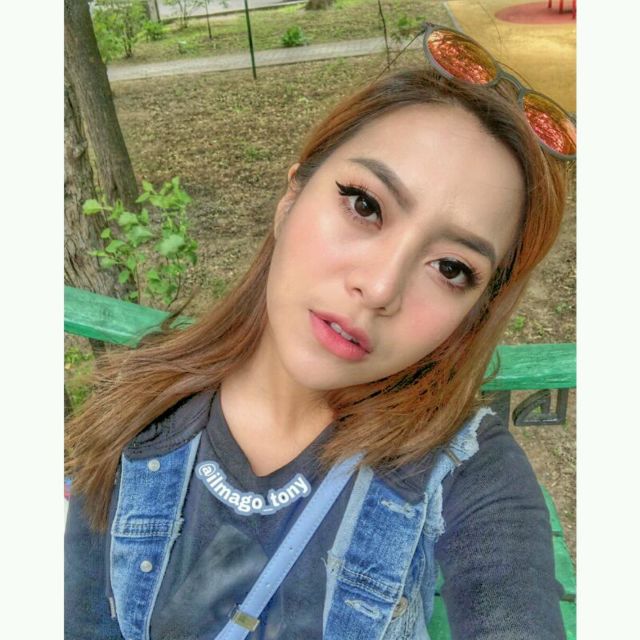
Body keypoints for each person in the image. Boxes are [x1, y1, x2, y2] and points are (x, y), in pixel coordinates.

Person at [65, 23, 575, 640]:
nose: (380, 288)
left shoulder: (467, 471)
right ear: (291, 198)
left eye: (450, 268)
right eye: (366, 205)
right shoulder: (139, 417)